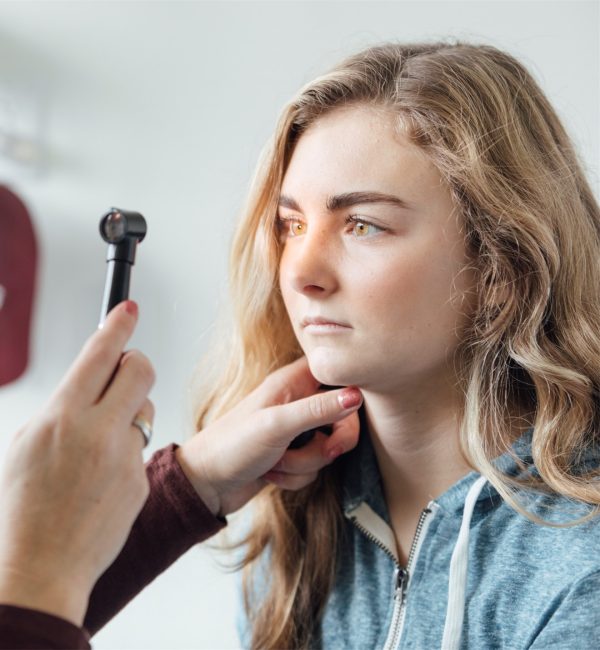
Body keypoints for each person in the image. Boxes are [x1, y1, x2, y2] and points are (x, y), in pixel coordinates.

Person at [186, 41, 600, 649]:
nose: (301, 272)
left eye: (362, 225)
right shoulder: (292, 524)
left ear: (501, 267)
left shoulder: (582, 560)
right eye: (291, 225)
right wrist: (191, 484)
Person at [0, 303, 362, 648]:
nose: (302, 272)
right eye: (293, 232)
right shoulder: (276, 569)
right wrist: (32, 570)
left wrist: (197, 478)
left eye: (365, 231)